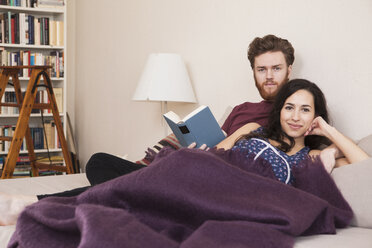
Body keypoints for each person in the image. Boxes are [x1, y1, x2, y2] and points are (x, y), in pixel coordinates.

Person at [0, 35, 296, 225]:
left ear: (289, 70)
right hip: (191, 165)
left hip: (210, 181)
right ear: (254, 72)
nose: (268, 77)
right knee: (98, 162)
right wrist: (192, 144)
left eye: (276, 68)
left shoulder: (292, 113)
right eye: (261, 69)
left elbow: (289, 154)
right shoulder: (241, 108)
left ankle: (32, 205)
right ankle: (128, 205)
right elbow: (215, 140)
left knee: (124, 184)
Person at [216, 79, 369, 185]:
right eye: (289, 107)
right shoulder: (252, 129)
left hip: (244, 202)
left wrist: (330, 138)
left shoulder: (311, 158)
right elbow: (212, 155)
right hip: (213, 180)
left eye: (305, 110)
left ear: (316, 117)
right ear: (280, 111)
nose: (295, 117)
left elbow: (366, 168)